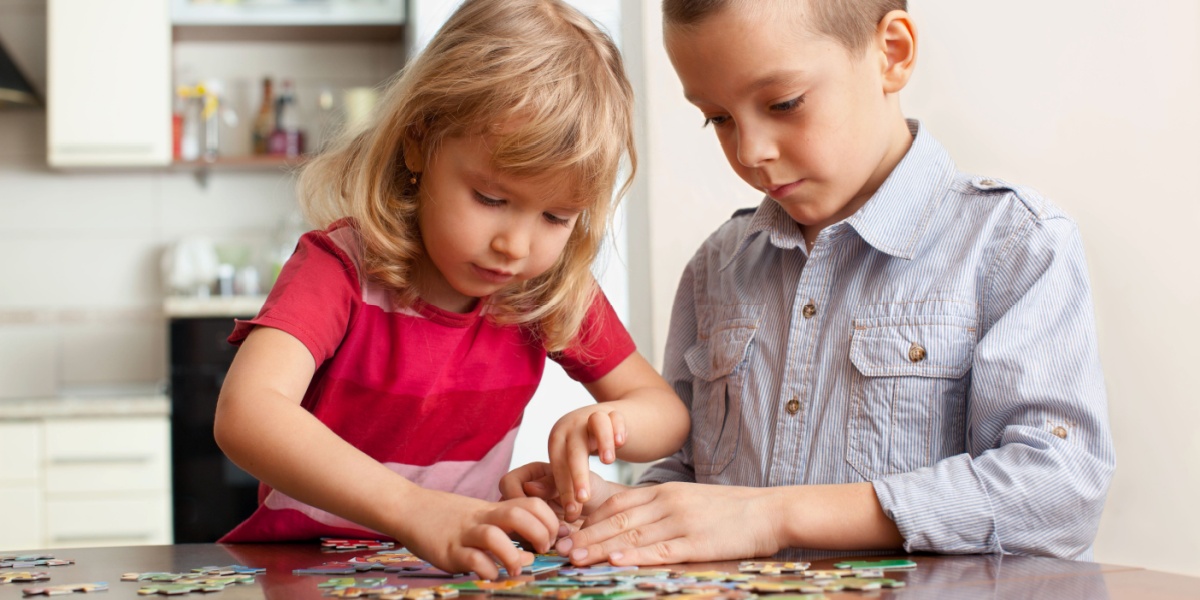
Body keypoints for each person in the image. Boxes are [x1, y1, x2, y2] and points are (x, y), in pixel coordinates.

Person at [503, 0, 1115, 565]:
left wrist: (775, 517)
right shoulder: (718, 266)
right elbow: (694, 486)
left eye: (783, 103)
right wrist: (607, 508)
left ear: (892, 53)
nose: (750, 150)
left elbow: (1058, 490)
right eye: (717, 118)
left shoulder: (1015, 244)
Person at [213, 0, 689, 580]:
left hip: (454, 575)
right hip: (303, 570)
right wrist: (418, 512)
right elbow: (246, 414)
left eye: (556, 217)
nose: (515, 245)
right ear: (419, 141)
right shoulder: (338, 268)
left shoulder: (546, 289)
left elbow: (665, 414)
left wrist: (608, 425)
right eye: (491, 199)